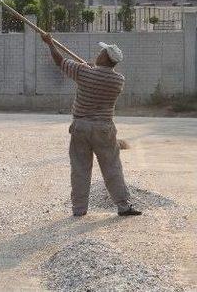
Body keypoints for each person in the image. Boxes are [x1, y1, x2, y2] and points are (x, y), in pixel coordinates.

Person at [41, 34, 141, 217]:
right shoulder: (118, 80)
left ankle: (79, 209)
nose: (98, 53)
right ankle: (123, 206)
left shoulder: (83, 72)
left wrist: (50, 44)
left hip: (81, 127)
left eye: (101, 52)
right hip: (104, 129)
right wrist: (90, 68)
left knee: (80, 169)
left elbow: (60, 61)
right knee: (112, 167)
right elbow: (98, 74)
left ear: (104, 57)